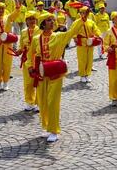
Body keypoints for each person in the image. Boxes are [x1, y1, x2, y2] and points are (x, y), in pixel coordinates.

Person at [27, 12, 84, 142]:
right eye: (49, 20)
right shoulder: (36, 39)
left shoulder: (58, 37)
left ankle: (54, 130)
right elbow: (31, 55)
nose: (52, 22)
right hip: (41, 74)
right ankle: (46, 127)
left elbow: (71, 32)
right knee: (42, 101)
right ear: (43, 24)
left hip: (55, 74)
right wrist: (30, 67)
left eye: (53, 20)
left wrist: (81, 19)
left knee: (53, 102)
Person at [18, 11, 41, 111]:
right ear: (26, 21)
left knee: (39, 81)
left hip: (38, 58)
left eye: (33, 19)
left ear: (36, 20)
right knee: (28, 82)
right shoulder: (23, 32)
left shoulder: (40, 30)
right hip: (26, 58)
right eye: (29, 19)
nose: (31, 21)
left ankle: (38, 103)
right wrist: (19, 50)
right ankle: (29, 102)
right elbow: (21, 45)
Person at [75, 6, 101, 83]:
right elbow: (73, 31)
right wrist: (74, 37)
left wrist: (98, 35)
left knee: (89, 59)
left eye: (86, 13)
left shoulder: (91, 22)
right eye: (82, 13)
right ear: (80, 13)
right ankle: (82, 75)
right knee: (82, 59)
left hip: (90, 42)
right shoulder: (77, 22)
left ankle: (87, 74)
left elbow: (96, 30)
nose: (84, 14)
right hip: (81, 42)